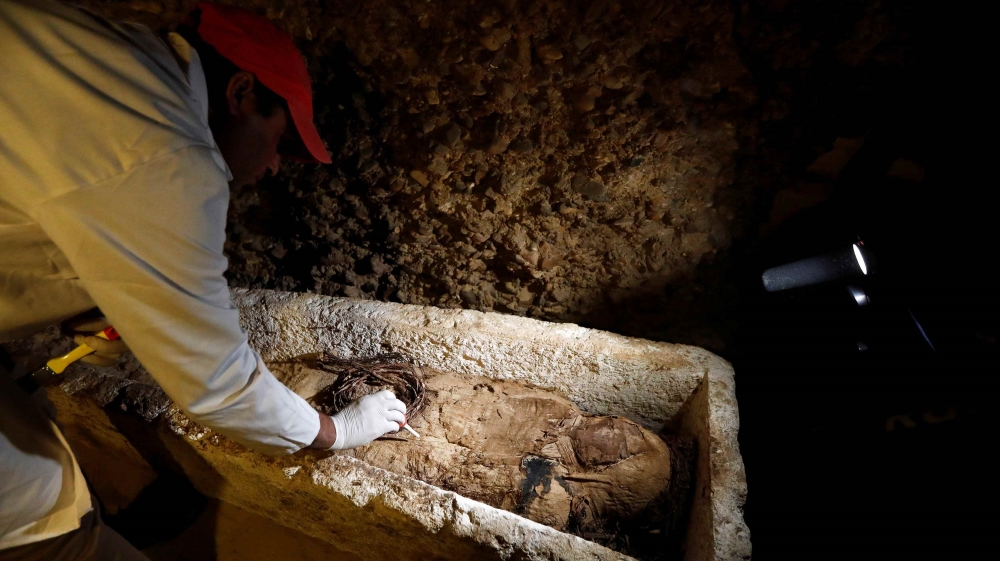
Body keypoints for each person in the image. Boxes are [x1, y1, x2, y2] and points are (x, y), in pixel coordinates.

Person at [0, 1, 406, 558]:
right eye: (279, 140)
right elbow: (219, 383)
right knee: (40, 509)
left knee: (36, 424)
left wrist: (85, 298)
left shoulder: (102, 52)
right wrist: (337, 431)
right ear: (240, 92)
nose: (274, 166)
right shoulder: (168, 150)